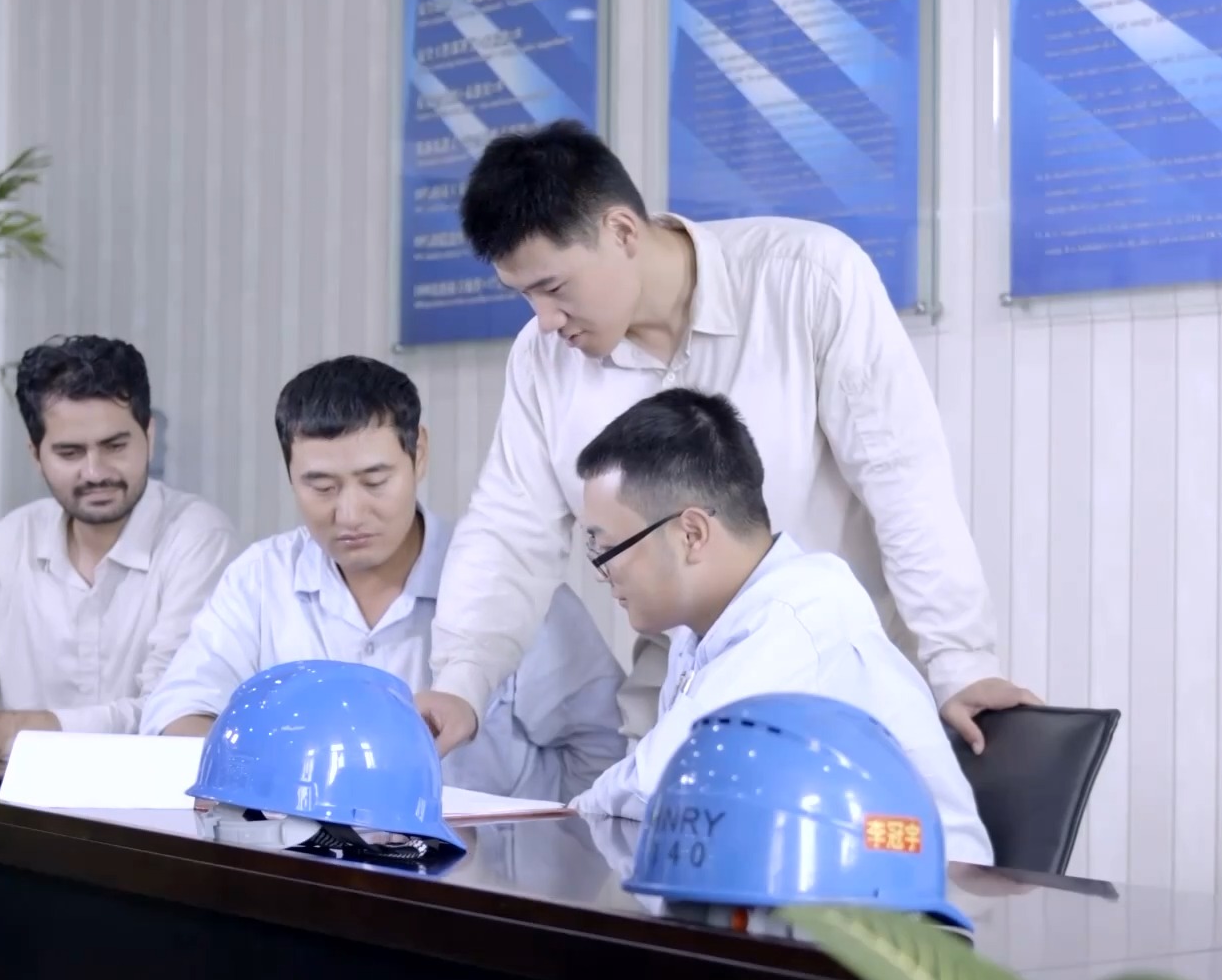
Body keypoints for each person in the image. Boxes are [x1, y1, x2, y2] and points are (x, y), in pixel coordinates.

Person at [419, 119, 1038, 758]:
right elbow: (509, 530)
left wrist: (961, 662)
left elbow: (904, 483)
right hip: (679, 708)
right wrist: (461, 684)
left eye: (553, 288)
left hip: (837, 699)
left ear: (622, 231)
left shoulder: (806, 279)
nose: (546, 321)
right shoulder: (542, 360)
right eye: (524, 296)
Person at [139, 356, 626, 802]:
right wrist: (288, 770)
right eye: (321, 487)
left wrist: (542, 850)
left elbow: (608, 746)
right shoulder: (262, 579)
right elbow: (176, 715)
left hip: (483, 862)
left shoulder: (503, 579)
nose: (350, 513)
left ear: (419, 454)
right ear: (290, 473)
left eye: (375, 482)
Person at [563, 389, 992, 866]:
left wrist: (576, 808)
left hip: (918, 890)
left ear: (692, 534)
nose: (603, 572)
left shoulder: (799, 617)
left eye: (607, 549)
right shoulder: (702, 633)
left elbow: (663, 784)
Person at [0, 335, 239, 761]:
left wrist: (12, 730)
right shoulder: (13, 538)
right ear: (36, 454)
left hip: (144, 799)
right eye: (70, 452)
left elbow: (171, 715)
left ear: (148, 434)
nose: (95, 472)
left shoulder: (197, 536)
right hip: (9, 796)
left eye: (115, 446)